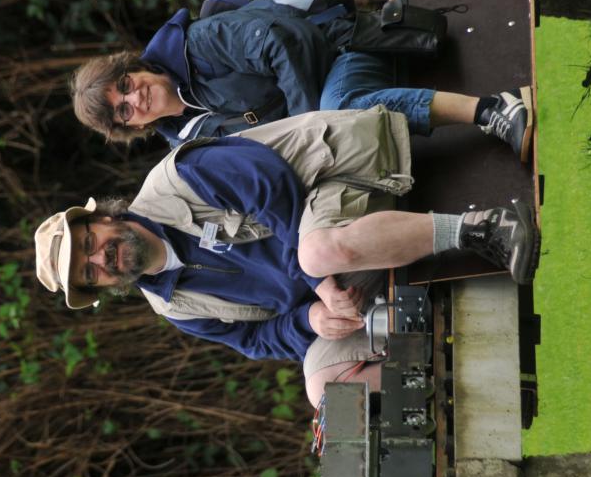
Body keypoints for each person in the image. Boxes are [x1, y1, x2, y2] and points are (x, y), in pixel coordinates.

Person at [33, 108, 539, 404]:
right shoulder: (171, 307)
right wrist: (311, 319)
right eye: (88, 273)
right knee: (323, 387)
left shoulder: (175, 179)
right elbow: (255, 339)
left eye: (88, 244)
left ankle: (485, 228)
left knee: (315, 253)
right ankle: (476, 385)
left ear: (103, 218)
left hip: (343, 172)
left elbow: (273, 187)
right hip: (343, 275)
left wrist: (318, 284)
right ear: (100, 288)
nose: (101, 259)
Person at [70, 0, 533, 158]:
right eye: (123, 111)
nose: (135, 98)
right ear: (131, 127)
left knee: (337, 109)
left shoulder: (197, 43)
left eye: (125, 86)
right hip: (327, 132)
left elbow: (282, 40)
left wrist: (304, 125)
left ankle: (493, 109)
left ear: (132, 68)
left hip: (344, 51)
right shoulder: (187, 144)